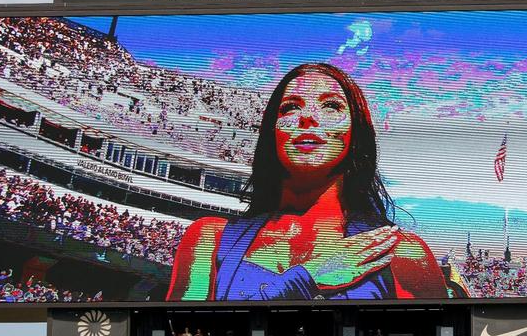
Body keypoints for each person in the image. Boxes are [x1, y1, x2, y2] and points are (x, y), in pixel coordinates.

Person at [167, 63, 448, 301]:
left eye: (331, 106)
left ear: (355, 133)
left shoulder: (400, 252)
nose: (308, 117)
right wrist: (305, 279)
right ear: (272, 133)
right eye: (290, 107)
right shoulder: (208, 239)